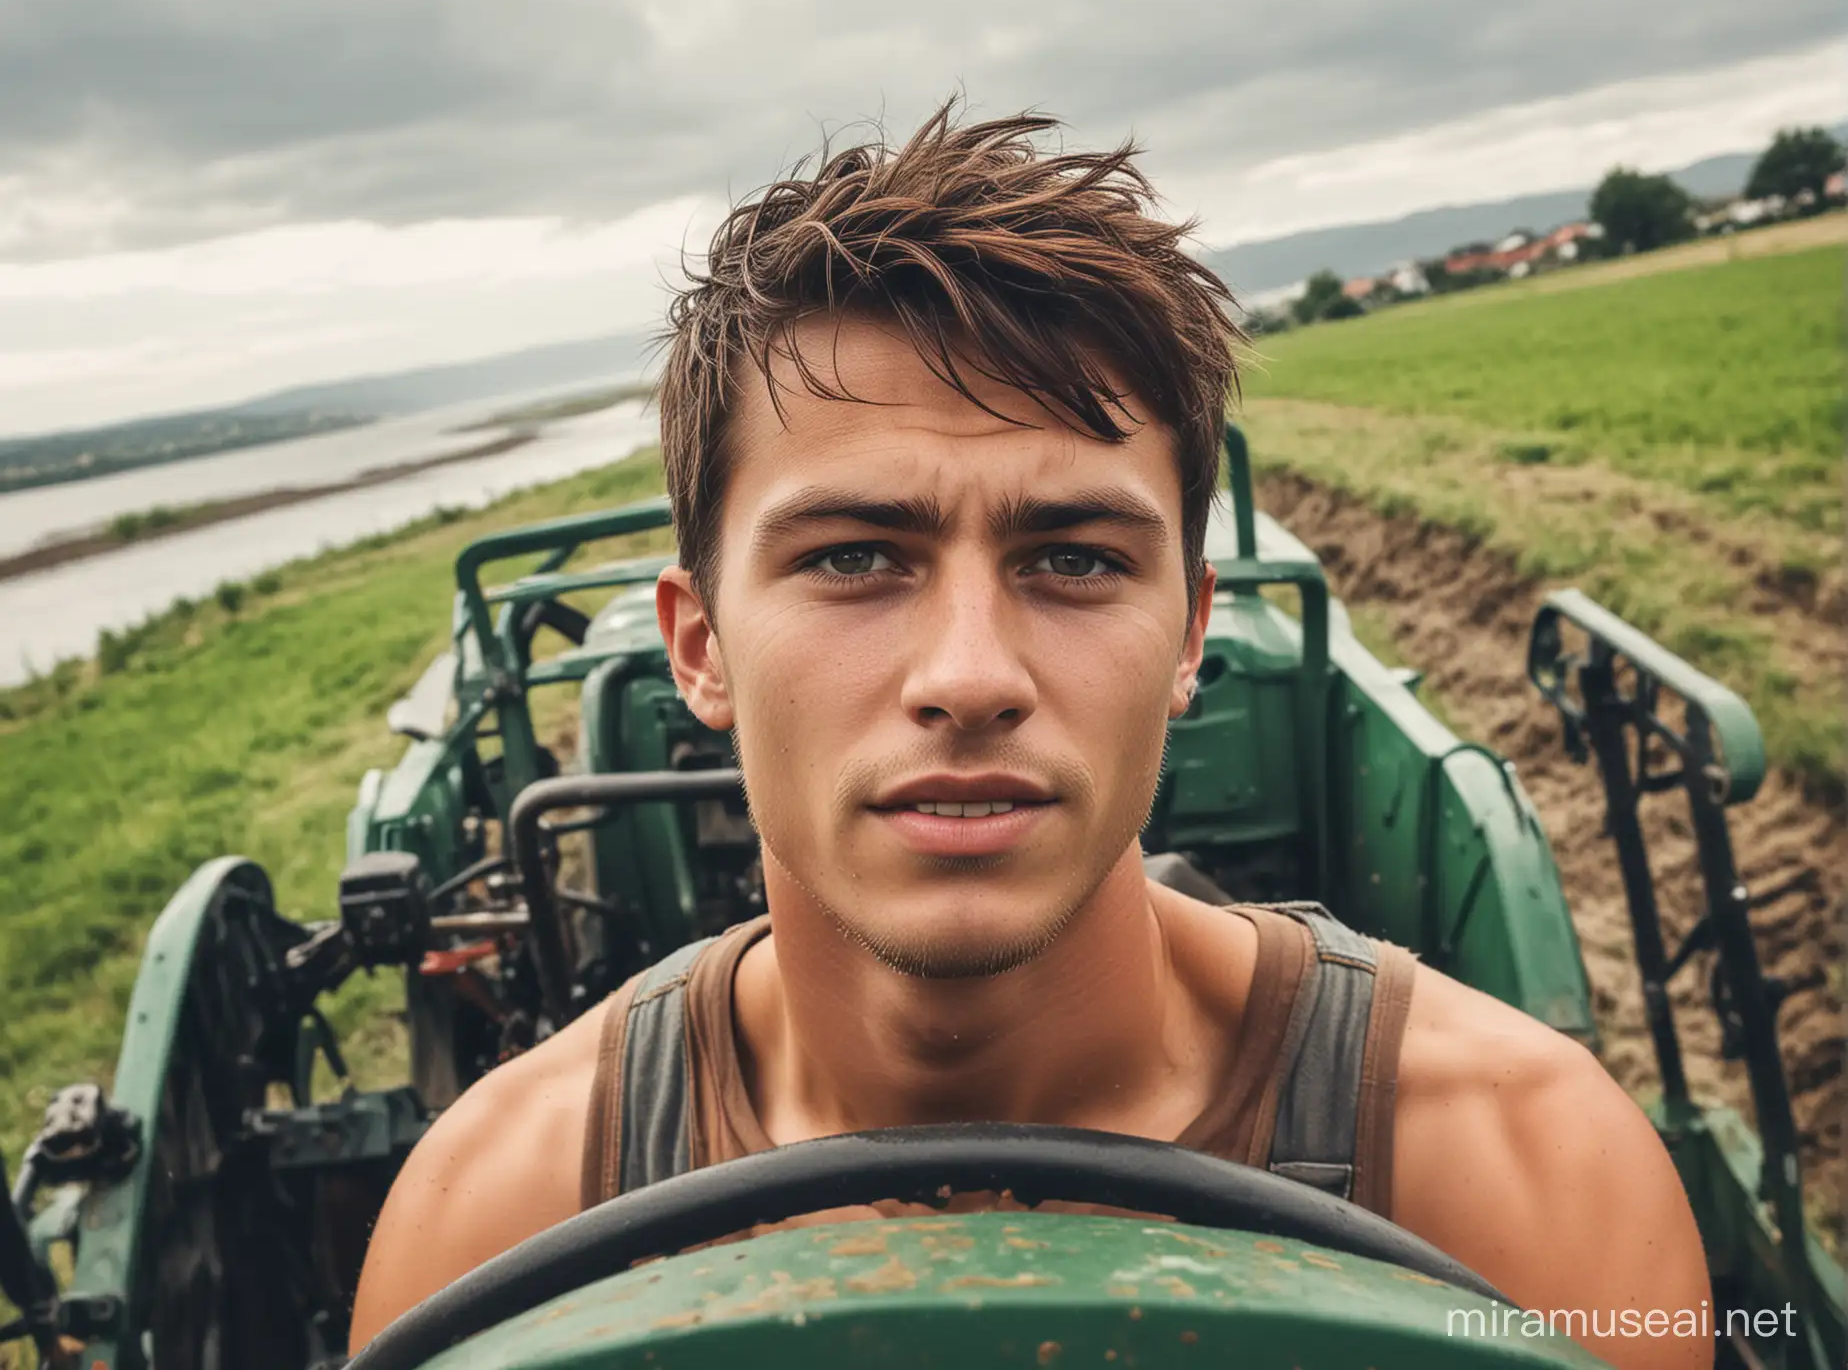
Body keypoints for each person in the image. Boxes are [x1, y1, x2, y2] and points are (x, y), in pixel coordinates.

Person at [349, 102, 1709, 1369]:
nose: (969, 677)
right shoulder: (488, 1223)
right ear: (699, 644)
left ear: (1187, 636)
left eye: (1071, 560)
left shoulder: (1527, 1188)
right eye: (854, 558)